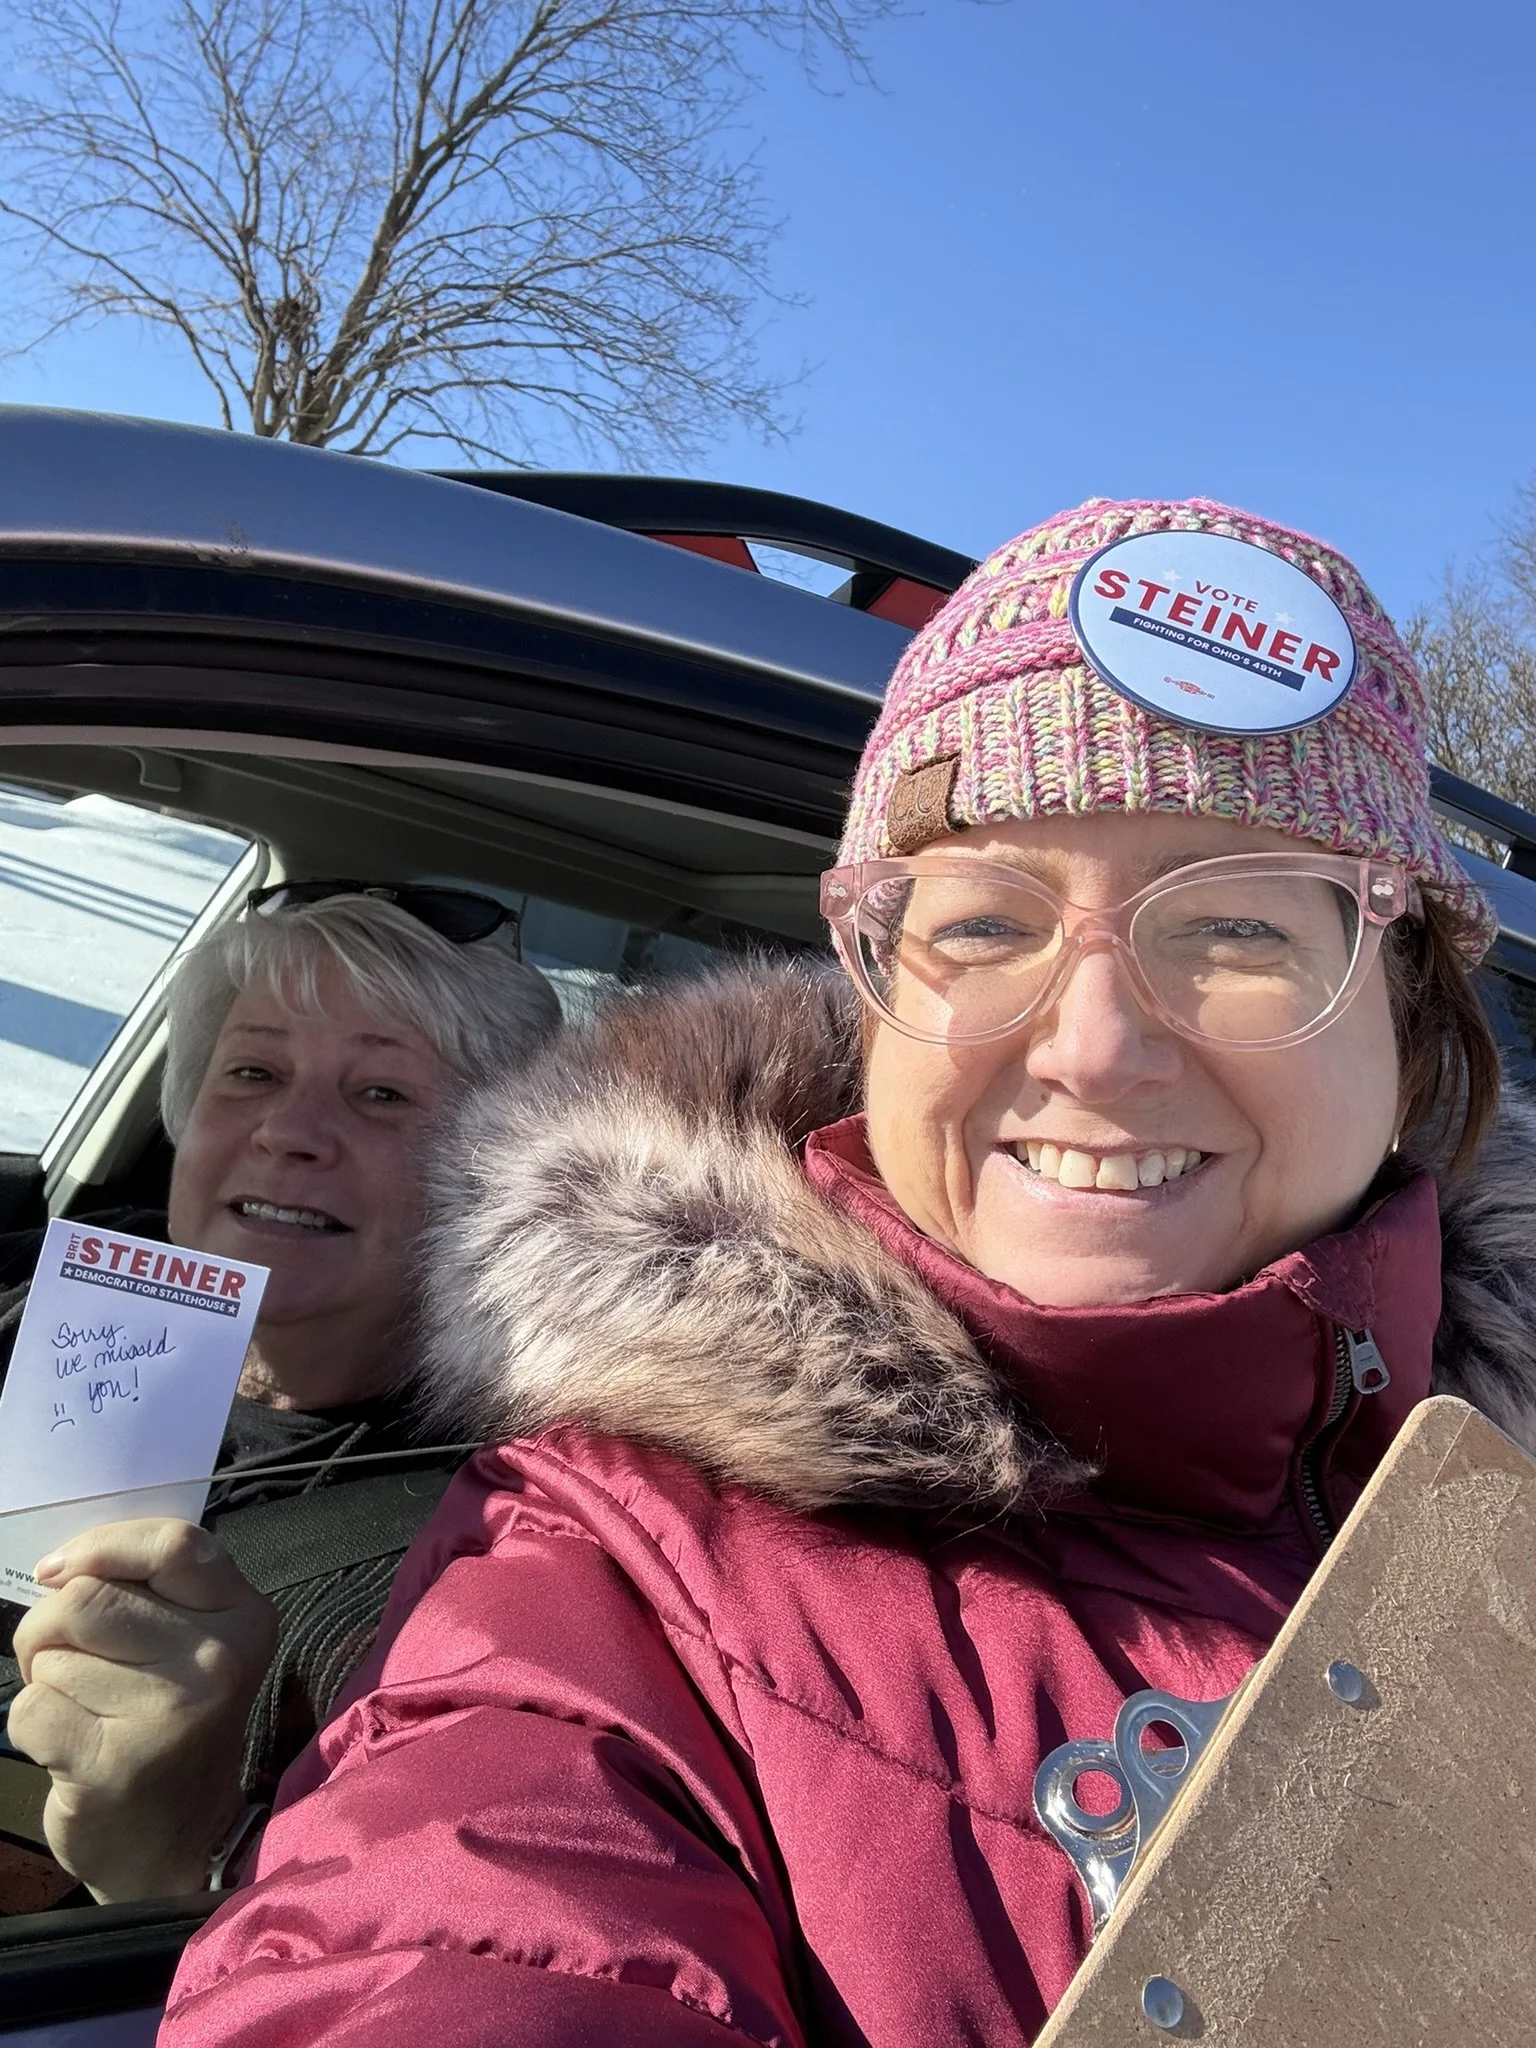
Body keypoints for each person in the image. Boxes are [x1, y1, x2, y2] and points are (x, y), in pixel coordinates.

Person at [162, 501, 1536, 2047]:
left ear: (1412, 1026)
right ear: (873, 1001)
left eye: (1235, 927)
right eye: (988, 922)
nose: (1094, 1048)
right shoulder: (609, 1574)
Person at [0, 886, 559, 1910]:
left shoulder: (485, 1561)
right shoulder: (25, 1304)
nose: (289, 1131)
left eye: (382, 1093)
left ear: (491, 1172)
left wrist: (186, 1853)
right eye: (253, 1072)